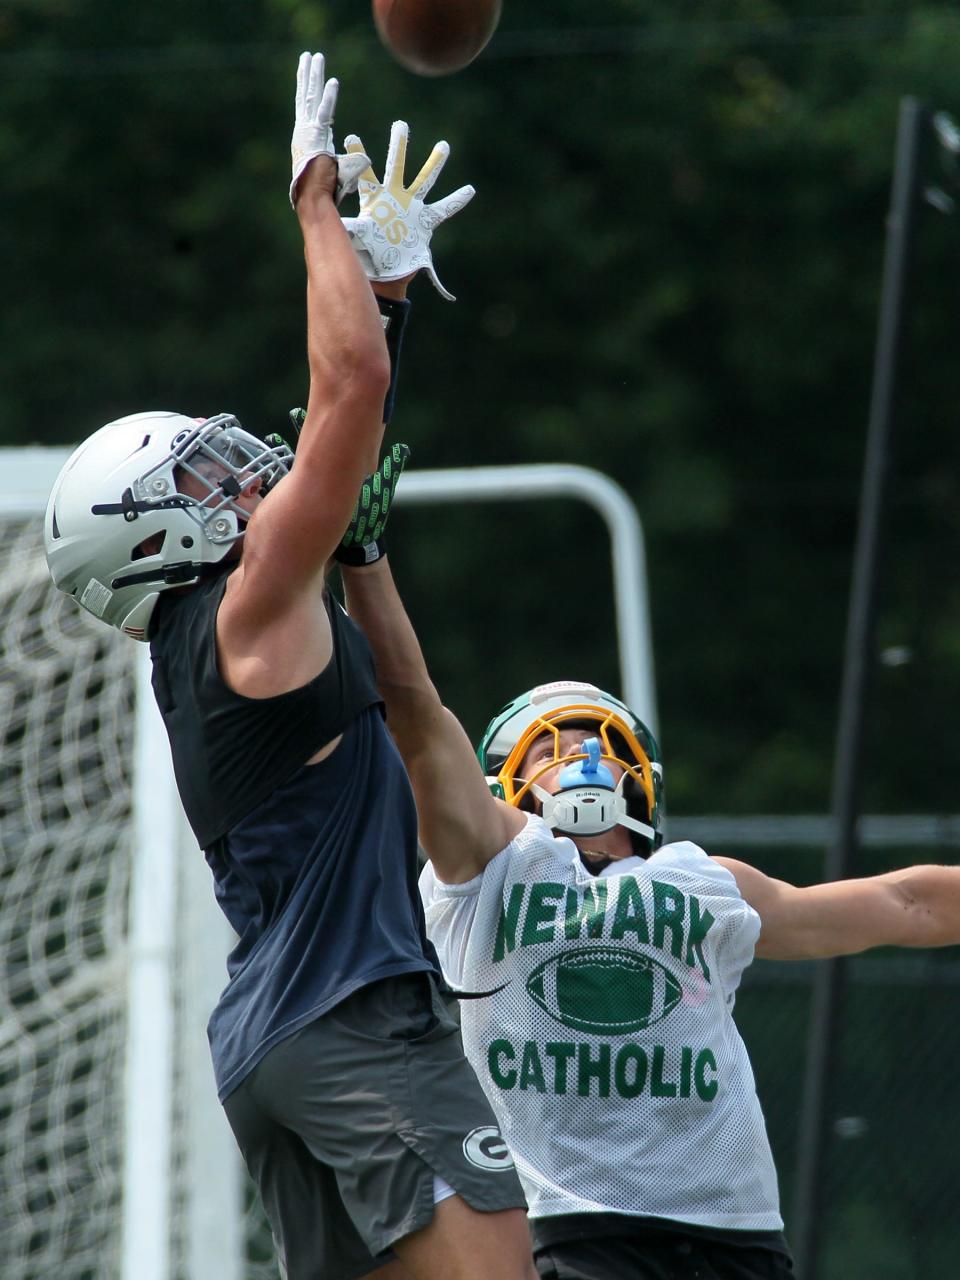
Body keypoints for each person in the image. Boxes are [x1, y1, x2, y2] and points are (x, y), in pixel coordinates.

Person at [43, 52, 537, 1280]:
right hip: (356, 1020)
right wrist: (315, 205)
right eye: (204, 479)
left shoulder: (214, 639)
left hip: (276, 1043)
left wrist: (393, 297)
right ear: (158, 535)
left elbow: (348, 454)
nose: (242, 471)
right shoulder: (250, 602)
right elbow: (348, 391)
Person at [340, 552, 960, 1280]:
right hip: (568, 1227)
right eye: (551, 745)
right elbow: (411, 713)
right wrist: (364, 565)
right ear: (499, 783)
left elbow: (904, 904)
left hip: (735, 1229)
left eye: (599, 741)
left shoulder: (704, 879)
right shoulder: (486, 863)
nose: (580, 758)